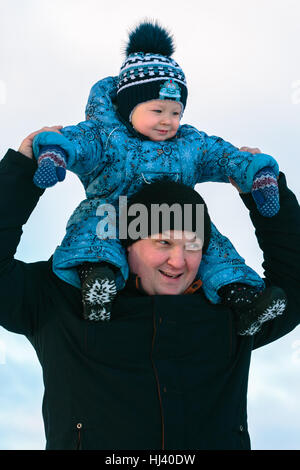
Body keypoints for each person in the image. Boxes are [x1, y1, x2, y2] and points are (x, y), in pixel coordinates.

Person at [0, 128, 299, 450]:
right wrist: (22, 169)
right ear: (127, 245)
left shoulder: (235, 311)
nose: (178, 261)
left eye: (193, 245)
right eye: (163, 243)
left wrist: (265, 193)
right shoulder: (62, 300)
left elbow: (294, 283)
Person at [30, 20, 282, 332]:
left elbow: (222, 155)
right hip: (115, 211)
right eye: (157, 111)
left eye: (175, 112)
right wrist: (54, 155)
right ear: (129, 107)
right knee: (94, 228)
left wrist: (256, 172)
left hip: (175, 217)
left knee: (209, 243)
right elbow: (76, 142)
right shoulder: (106, 135)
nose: (167, 121)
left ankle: (242, 298)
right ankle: (97, 280)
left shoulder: (189, 143)